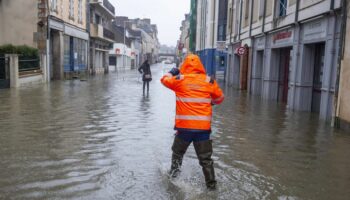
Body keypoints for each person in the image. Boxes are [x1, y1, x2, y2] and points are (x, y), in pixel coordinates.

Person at [160, 54, 224, 190]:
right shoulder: (209, 81)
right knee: (206, 160)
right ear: (200, 65)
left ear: (185, 65)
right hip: (203, 130)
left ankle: (173, 179)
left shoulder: (179, 80)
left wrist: (173, 71)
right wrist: (209, 103)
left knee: (177, 154)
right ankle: (212, 187)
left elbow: (164, 79)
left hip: (184, 129)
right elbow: (220, 98)